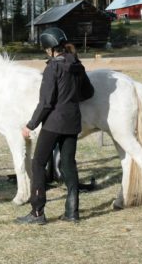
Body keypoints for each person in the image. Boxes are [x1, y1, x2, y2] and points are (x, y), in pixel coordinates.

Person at [16, 27, 94, 225]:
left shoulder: (52, 68)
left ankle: (37, 213)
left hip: (53, 123)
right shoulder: (77, 65)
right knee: (68, 163)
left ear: (50, 49)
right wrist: (69, 98)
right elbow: (88, 92)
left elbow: (46, 103)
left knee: (38, 163)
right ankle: (72, 212)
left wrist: (30, 125)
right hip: (73, 122)